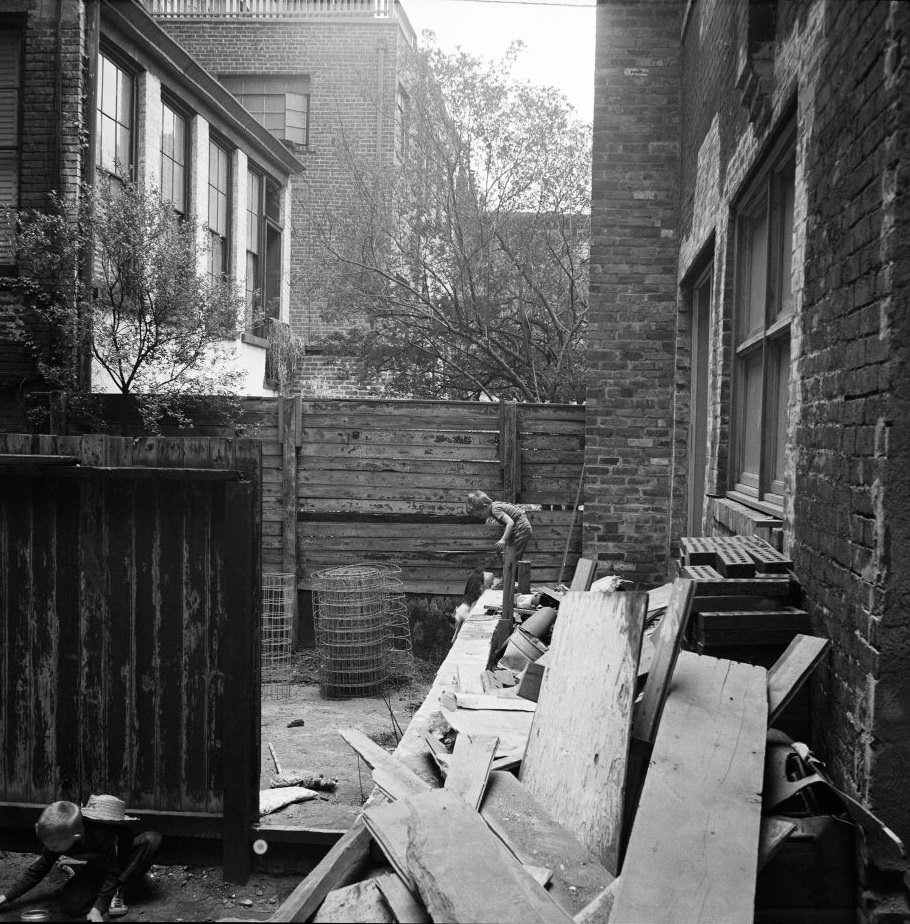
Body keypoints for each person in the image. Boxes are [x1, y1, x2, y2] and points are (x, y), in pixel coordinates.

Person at [0, 794, 161, 922]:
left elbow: (112, 872)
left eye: (54, 847)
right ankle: (91, 879)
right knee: (72, 906)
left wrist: (97, 909)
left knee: (152, 839)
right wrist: (5, 897)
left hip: (117, 863)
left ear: (76, 837)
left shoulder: (100, 836)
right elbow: (38, 869)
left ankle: (119, 889)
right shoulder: (59, 836)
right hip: (99, 865)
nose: (50, 849)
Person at [464, 490, 533, 560]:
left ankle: (514, 569)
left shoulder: (495, 510)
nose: (481, 517)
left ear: (485, 507)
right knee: (512, 554)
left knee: (513, 556)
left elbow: (510, 522)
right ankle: (513, 567)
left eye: (480, 514)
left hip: (521, 529)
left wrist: (503, 539)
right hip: (520, 527)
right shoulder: (495, 506)